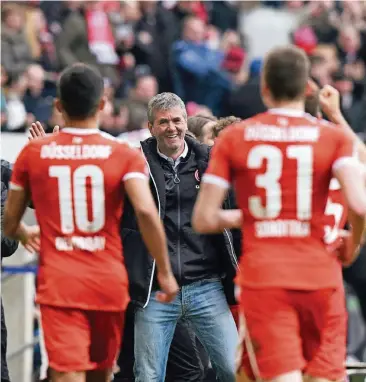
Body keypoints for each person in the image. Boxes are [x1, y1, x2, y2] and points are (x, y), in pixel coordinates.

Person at [192, 45, 366, 382]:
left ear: (264, 89)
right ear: (306, 88)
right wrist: (353, 244)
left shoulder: (235, 137)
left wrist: (256, 217)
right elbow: (360, 205)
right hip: (321, 277)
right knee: (325, 376)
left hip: (266, 278)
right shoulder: (334, 139)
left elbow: (204, 219)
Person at [4, 63, 178, 382]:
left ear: (58, 107)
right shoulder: (124, 154)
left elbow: (8, 221)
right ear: (103, 104)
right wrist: (165, 274)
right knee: (101, 374)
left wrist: (24, 231)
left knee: (67, 372)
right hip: (108, 282)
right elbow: (146, 213)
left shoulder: (34, 153)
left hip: (60, 282)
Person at [119, 92, 239, 382]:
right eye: (163, 122)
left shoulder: (210, 161)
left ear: (186, 122)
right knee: (148, 375)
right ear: (150, 127)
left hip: (206, 284)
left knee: (236, 369)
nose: (171, 127)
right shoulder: (135, 164)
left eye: (177, 120)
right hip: (155, 289)